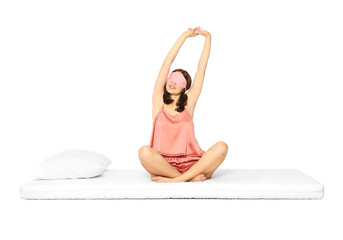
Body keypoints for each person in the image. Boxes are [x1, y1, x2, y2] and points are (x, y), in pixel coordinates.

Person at [138, 27, 228, 182]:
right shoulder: (158, 101)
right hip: (163, 164)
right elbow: (167, 63)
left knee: (222, 147)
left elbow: (202, 69)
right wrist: (184, 36)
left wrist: (208, 37)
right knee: (144, 152)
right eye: (171, 78)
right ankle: (184, 179)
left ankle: (176, 180)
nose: (173, 82)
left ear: (184, 88)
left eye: (179, 81)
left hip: (193, 164)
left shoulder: (189, 103)